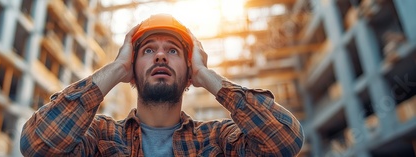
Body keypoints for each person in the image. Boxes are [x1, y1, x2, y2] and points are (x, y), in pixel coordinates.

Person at [20, 14, 304, 157]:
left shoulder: (216, 140)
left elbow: (285, 141)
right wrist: (117, 67)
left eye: (173, 51)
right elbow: (36, 145)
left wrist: (205, 74)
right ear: (132, 69)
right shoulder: (99, 137)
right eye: (147, 51)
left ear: (188, 71)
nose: (159, 55)